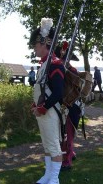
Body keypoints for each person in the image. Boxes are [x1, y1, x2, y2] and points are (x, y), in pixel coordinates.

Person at [29, 18, 65, 184]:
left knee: (54, 146)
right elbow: (42, 90)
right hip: (43, 112)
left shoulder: (55, 64)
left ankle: (54, 179)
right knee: (47, 145)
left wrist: (43, 108)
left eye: (36, 45)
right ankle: (48, 175)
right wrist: (36, 105)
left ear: (44, 44)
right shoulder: (45, 64)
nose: (34, 49)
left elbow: (58, 92)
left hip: (50, 112)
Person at [54, 43, 82, 171]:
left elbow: (72, 91)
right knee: (65, 133)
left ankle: (67, 161)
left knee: (67, 134)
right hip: (67, 106)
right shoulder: (66, 70)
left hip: (71, 107)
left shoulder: (71, 71)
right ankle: (72, 153)